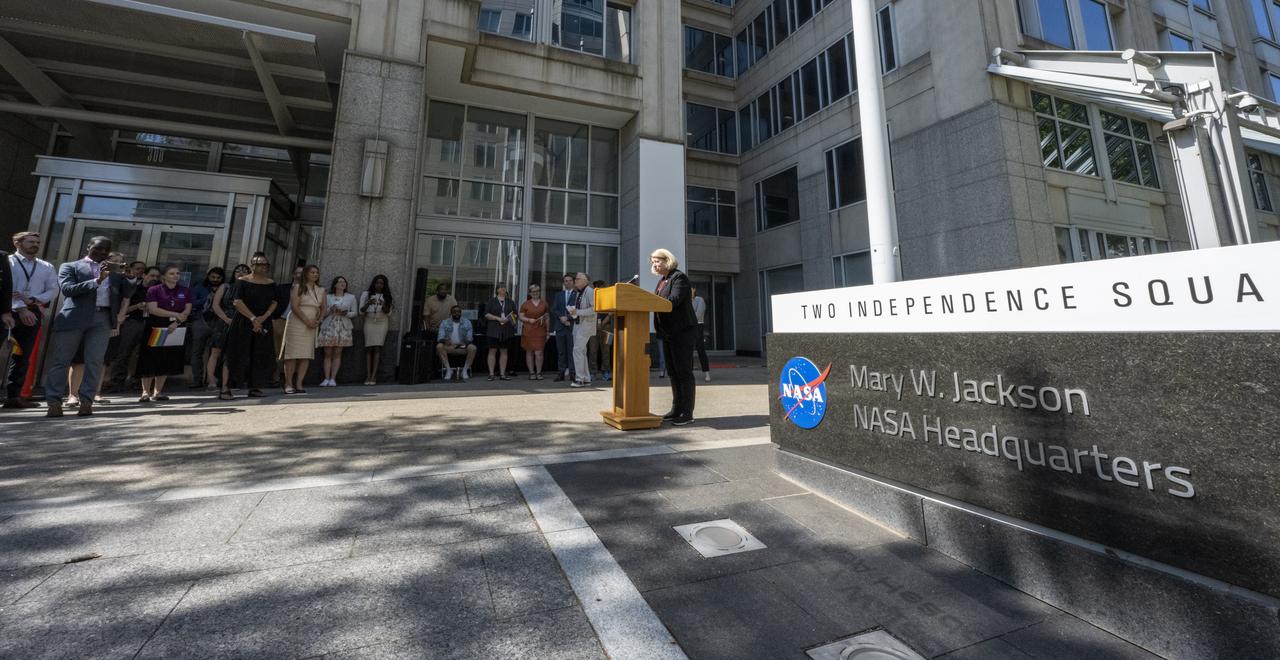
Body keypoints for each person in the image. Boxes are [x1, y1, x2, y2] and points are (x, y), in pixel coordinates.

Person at [43, 236, 122, 418]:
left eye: (106, 250)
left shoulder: (114, 271)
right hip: (74, 317)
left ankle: (87, 402)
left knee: (94, 361)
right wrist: (97, 281)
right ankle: (54, 402)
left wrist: (130, 280)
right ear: (88, 247)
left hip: (102, 318)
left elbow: (121, 294)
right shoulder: (70, 266)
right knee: (61, 361)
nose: (102, 253)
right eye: (98, 248)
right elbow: (68, 289)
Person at [6, 231, 56, 410]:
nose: (35, 244)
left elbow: (52, 290)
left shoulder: (46, 266)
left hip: (33, 312)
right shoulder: (8, 262)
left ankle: (14, 396)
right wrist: (21, 307)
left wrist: (33, 300)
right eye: (31, 241)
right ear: (17, 243)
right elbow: (6, 288)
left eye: (37, 242)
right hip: (7, 310)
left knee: (22, 356)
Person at [651, 249, 697, 425]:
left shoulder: (679, 277)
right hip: (667, 332)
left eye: (657, 261)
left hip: (682, 331)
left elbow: (674, 300)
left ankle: (687, 413)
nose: (655, 264)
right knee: (673, 372)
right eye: (653, 262)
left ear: (667, 260)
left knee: (684, 372)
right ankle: (676, 409)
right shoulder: (662, 281)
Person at [222, 253, 277, 400]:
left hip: (262, 321)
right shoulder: (242, 281)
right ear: (253, 265)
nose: (263, 267)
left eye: (266, 264)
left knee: (259, 354)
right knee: (235, 353)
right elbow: (237, 302)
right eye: (260, 264)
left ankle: (255, 386)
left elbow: (274, 301)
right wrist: (253, 319)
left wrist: (263, 318)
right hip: (243, 322)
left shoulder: (270, 283)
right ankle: (226, 387)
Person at [135, 265, 192, 403]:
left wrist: (176, 322)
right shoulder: (154, 290)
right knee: (150, 358)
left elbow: (187, 310)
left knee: (167, 358)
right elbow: (153, 309)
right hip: (156, 326)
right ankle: (145, 392)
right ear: (164, 276)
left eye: (178, 273)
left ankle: (158, 392)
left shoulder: (185, 290)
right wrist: (175, 314)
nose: (175, 275)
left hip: (176, 326)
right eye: (171, 273)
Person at [108, 263, 158, 392]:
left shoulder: (159, 291)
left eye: (157, 276)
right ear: (145, 275)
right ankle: (117, 382)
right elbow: (122, 308)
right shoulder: (133, 288)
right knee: (124, 352)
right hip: (132, 322)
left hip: (151, 324)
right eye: (152, 275)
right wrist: (138, 306)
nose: (154, 278)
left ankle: (137, 382)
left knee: (142, 354)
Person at [280, 264, 323, 394]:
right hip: (297, 322)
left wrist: (318, 321)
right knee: (292, 354)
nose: (315, 274)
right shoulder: (297, 287)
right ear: (306, 274)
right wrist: (306, 321)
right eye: (312, 272)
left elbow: (324, 308)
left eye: (317, 272)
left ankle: (299, 383)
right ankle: (288, 383)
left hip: (312, 324)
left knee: (305, 355)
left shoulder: (321, 290)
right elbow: (294, 306)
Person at [205, 264, 249, 392]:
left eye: (244, 271)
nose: (241, 273)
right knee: (216, 352)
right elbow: (216, 305)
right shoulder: (225, 286)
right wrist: (226, 319)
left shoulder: (248, 288)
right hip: (223, 322)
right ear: (233, 273)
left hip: (240, 323)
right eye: (238, 271)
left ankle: (232, 381)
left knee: (234, 354)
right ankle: (211, 380)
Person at [187, 267, 224, 389]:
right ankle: (197, 379)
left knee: (215, 353)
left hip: (217, 321)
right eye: (213, 277)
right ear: (208, 276)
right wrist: (210, 297)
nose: (215, 280)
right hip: (200, 320)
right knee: (197, 351)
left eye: (218, 278)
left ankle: (212, 379)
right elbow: (192, 302)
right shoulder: (199, 287)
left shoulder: (224, 288)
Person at [318, 276, 357, 387]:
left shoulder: (351, 297)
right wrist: (330, 310)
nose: (342, 283)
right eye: (340, 282)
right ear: (335, 284)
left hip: (343, 327)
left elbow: (354, 312)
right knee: (327, 353)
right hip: (329, 326)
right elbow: (322, 312)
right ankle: (326, 378)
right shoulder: (327, 296)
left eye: (344, 282)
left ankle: (333, 378)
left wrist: (345, 313)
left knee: (338, 353)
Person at [272, 265, 303, 386]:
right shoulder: (282, 288)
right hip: (281, 320)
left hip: (299, 323)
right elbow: (273, 303)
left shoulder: (307, 290)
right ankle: (276, 376)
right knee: (278, 350)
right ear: (293, 274)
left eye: (302, 273)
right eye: (298, 273)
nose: (300, 275)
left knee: (294, 352)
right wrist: (273, 319)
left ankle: (290, 378)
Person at [359, 274, 392, 385]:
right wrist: (369, 303)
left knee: (378, 347)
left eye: (382, 283)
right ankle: (367, 375)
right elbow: (361, 311)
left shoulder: (387, 295)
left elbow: (389, 312)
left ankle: (374, 376)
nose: (379, 285)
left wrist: (383, 305)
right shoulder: (366, 294)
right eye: (377, 283)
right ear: (374, 283)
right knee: (369, 348)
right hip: (369, 321)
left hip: (382, 322)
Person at [568, 272, 596, 388]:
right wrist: (574, 312)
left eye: (577, 279)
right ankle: (586, 378)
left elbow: (595, 309)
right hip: (578, 324)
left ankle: (580, 379)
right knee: (582, 352)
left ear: (585, 280)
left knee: (577, 350)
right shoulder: (579, 292)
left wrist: (577, 312)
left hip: (586, 325)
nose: (575, 281)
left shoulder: (590, 291)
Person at [484, 285, 517, 380]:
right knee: (492, 351)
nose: (503, 289)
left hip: (506, 330)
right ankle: (491, 374)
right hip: (493, 330)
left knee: (504, 351)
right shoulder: (492, 301)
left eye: (504, 287)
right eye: (501, 287)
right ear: (497, 290)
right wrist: (497, 318)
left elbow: (515, 314)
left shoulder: (510, 301)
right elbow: (486, 314)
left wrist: (508, 319)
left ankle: (502, 374)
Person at [435, 305, 476, 381]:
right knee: (439, 346)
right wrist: (445, 341)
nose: (456, 313)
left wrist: (464, 343)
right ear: (451, 313)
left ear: (461, 313)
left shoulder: (467, 322)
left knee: (472, 348)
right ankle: (448, 370)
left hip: (462, 347)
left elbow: (470, 338)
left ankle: (464, 370)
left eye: (458, 312)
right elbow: (440, 337)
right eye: (454, 312)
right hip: (449, 347)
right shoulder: (444, 322)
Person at [519, 283, 548, 380]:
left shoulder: (544, 303)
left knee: (539, 352)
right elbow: (520, 316)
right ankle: (531, 372)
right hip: (528, 330)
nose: (535, 293)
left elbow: (547, 318)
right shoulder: (525, 304)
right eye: (533, 291)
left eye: (537, 291)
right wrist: (528, 320)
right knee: (529, 351)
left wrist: (548, 331)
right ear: (530, 293)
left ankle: (539, 372)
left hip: (540, 331)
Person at [550, 273, 575, 382]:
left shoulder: (577, 294)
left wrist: (568, 318)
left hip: (571, 326)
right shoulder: (558, 295)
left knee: (571, 351)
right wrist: (561, 317)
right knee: (561, 351)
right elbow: (554, 309)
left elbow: (578, 310)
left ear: (573, 282)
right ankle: (561, 373)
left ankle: (572, 373)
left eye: (570, 280)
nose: (568, 282)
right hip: (560, 326)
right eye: (566, 281)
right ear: (563, 283)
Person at [692, 287, 711, 382]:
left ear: (694, 289)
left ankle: (707, 373)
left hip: (698, 327)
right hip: (688, 328)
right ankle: (688, 374)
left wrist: (687, 318)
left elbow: (698, 314)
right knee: (687, 352)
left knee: (701, 351)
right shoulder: (686, 301)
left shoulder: (700, 300)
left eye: (690, 288)